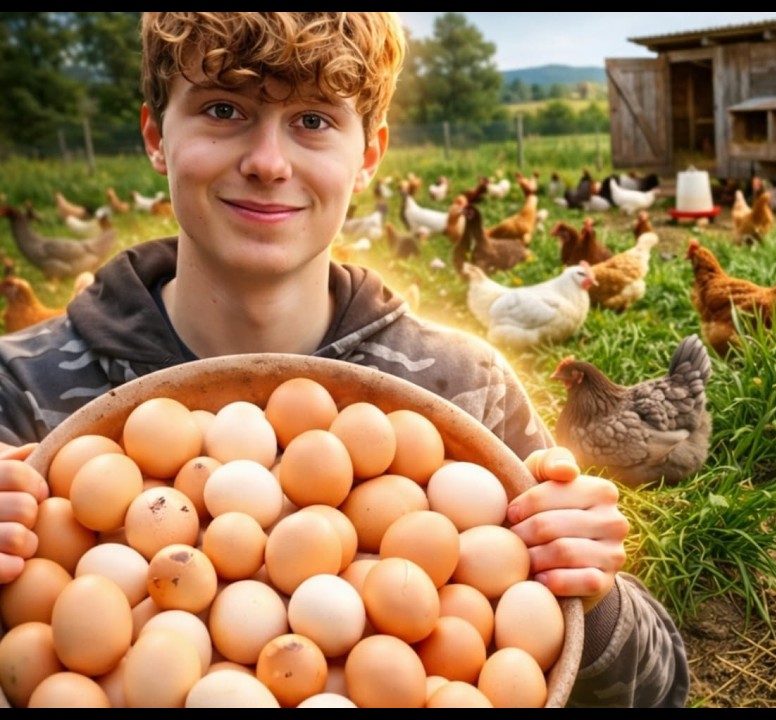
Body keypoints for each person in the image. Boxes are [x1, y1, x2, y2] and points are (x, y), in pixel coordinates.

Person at [0, 12, 687, 707]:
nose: (268, 162)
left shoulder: (460, 392)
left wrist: (584, 595)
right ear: (156, 136)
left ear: (369, 154)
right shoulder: (21, 393)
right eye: (223, 108)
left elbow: (661, 691)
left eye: (314, 121)